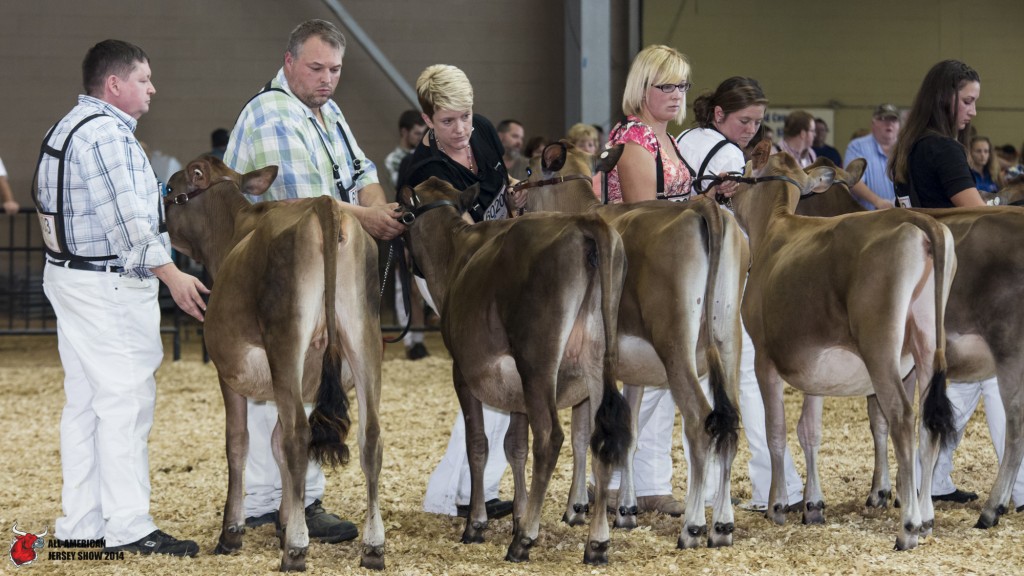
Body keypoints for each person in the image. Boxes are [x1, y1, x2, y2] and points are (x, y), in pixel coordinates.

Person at [223, 19, 405, 543]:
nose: (327, 79)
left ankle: (294, 499)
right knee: (279, 381)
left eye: (336, 70)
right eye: (317, 68)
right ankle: (275, 501)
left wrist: (376, 208)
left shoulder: (327, 111)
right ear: (289, 62)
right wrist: (366, 220)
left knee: (300, 381)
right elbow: (302, 204)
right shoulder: (273, 112)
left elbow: (361, 170)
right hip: (275, 272)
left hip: (325, 259)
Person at [36, 39, 208, 558]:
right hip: (107, 285)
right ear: (114, 84)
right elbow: (129, 224)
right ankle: (129, 526)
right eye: (143, 79)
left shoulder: (66, 126)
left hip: (71, 277)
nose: (152, 88)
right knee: (125, 403)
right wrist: (173, 276)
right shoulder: (107, 134)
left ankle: (81, 526)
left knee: (86, 404)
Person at [399, 63, 525, 519]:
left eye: (466, 116)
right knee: (487, 370)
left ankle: (466, 490)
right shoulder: (425, 169)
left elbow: (501, 184)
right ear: (427, 120)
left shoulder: (484, 131)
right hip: (448, 271)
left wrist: (515, 195)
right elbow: (464, 236)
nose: (461, 129)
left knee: (499, 372)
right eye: (447, 120)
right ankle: (460, 492)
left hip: (497, 256)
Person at [675, 76, 805, 512]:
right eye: (744, 120)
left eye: (757, 122)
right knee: (745, 375)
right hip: (723, 271)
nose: (751, 130)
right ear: (719, 114)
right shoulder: (730, 155)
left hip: (679, 270)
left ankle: (700, 485)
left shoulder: (684, 139)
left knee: (682, 379)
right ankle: (777, 483)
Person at [889, 58, 1012, 504]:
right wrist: (1007, 209)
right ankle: (1018, 487)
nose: (973, 111)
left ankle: (933, 478)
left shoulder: (907, 148)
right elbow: (976, 214)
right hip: (965, 276)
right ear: (946, 98)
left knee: (960, 380)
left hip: (924, 277)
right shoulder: (944, 149)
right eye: (968, 101)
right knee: (999, 373)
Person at [600, 44, 694, 516]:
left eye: (682, 86)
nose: (677, 95)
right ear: (642, 88)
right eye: (667, 86)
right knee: (640, 381)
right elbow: (644, 218)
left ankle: (648, 483)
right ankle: (618, 482)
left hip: (666, 265)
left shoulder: (664, 138)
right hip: (636, 268)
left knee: (658, 383)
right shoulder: (635, 139)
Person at [384, 110, 430, 360]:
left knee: (419, 283)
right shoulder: (394, 160)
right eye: (416, 133)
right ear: (404, 132)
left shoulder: (422, 157)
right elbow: (402, 192)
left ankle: (419, 339)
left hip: (422, 224)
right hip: (400, 222)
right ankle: (410, 341)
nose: (420, 138)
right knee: (404, 283)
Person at [844, 103, 902, 210]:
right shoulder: (857, 146)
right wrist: (878, 201)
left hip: (901, 215)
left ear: (899, 125)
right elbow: (852, 180)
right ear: (873, 123)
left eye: (893, 120)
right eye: (883, 119)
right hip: (867, 216)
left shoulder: (906, 148)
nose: (889, 123)